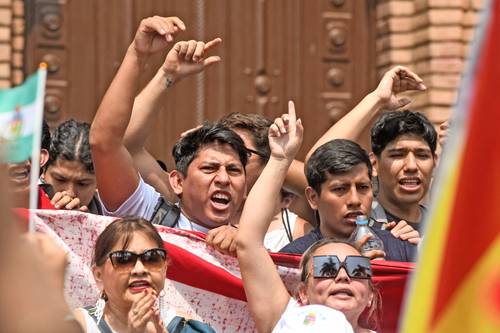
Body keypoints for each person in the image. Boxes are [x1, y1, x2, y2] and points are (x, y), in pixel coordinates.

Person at [90, 16, 249, 234]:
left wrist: (245, 248)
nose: (223, 179)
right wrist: (139, 55)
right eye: (209, 168)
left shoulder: (256, 246)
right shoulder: (148, 217)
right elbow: (104, 142)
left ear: (246, 188)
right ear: (177, 182)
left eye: (233, 170)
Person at [236, 102, 378, 332]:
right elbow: (249, 242)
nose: (342, 276)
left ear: (370, 294)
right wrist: (281, 159)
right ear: (302, 292)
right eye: (327, 268)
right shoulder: (287, 321)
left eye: (357, 269)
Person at [280, 139, 418, 262]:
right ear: (313, 198)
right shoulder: (293, 260)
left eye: (363, 187)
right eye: (340, 189)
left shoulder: (403, 250)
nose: (355, 200)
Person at [73, 217, 215, 332]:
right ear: (98, 275)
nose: (139, 269)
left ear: (164, 268)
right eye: (123, 259)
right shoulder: (77, 327)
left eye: (152, 258)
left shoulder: (186, 328)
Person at [370, 110, 437, 231]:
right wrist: (376, 100)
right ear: (374, 163)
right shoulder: (356, 225)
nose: (411, 166)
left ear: (435, 161)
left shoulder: (445, 229)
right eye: (397, 155)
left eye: (422, 155)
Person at [41, 119, 102, 214]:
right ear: (44, 170)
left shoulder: (109, 218)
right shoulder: (25, 204)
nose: (70, 193)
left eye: (82, 184)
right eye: (60, 180)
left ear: (98, 183)